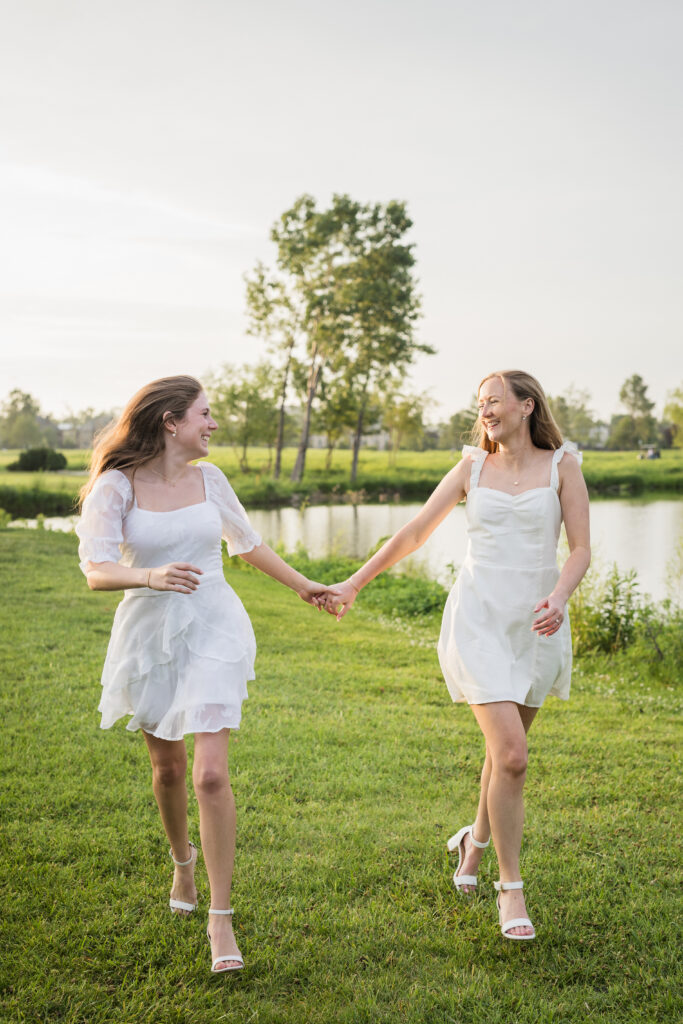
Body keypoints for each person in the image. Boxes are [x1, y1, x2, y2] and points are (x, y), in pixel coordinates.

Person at [321, 370, 590, 941]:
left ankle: (473, 842)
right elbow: (416, 531)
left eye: (495, 401)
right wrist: (354, 583)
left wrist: (561, 598)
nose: (486, 410)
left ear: (526, 405)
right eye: (481, 403)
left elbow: (582, 549)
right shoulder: (471, 466)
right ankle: (510, 889)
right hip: (479, 620)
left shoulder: (564, 464)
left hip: (538, 622)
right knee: (513, 755)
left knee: (503, 753)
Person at [76, 375, 326, 973]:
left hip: (215, 625)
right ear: (171, 421)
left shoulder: (211, 480)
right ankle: (181, 862)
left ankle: (221, 920)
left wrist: (305, 587)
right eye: (205, 415)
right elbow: (96, 570)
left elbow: (247, 545)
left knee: (211, 775)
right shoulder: (117, 485)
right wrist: (151, 576)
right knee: (168, 770)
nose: (213, 425)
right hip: (150, 635)